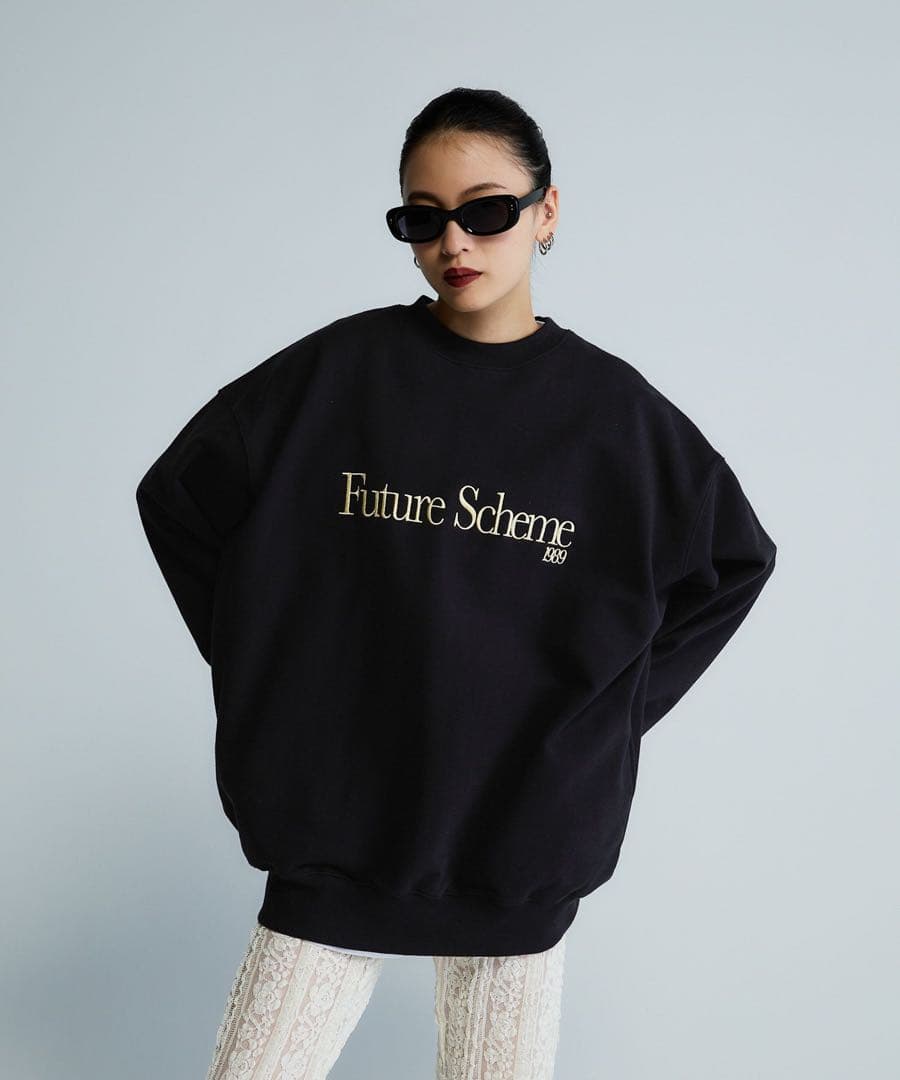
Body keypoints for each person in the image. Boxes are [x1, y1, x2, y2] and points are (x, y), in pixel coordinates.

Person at [135, 87, 777, 1080]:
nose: (454, 243)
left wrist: (607, 715)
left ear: (547, 210)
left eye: (486, 211)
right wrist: (270, 668)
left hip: (517, 842)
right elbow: (179, 495)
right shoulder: (337, 375)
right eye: (423, 219)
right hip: (336, 829)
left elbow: (734, 561)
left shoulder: (617, 420)